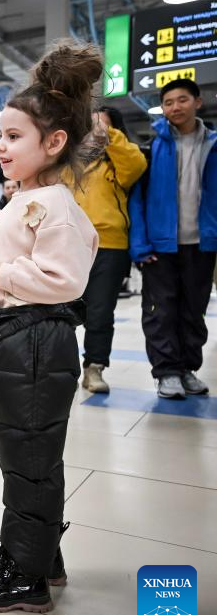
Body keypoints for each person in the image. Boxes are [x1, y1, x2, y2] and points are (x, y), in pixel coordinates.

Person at [0, 40, 102, 613]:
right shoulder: (26, 199)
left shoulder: (54, 206)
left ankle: (26, 576)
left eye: (14, 136)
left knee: (30, 459)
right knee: (22, 453)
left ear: (53, 142)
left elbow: (64, 281)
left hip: (35, 343)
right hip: (15, 340)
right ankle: (36, 552)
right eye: (1, 135)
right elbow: (20, 270)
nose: (1, 145)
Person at [128, 78, 217, 399]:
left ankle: (187, 369)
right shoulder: (151, 149)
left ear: (197, 102)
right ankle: (167, 372)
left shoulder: (213, 146)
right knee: (160, 310)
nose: (175, 107)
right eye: (168, 102)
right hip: (160, 246)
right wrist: (140, 246)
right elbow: (136, 200)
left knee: (194, 310)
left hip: (202, 243)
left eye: (182, 100)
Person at [73, 106, 147, 393]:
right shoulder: (68, 163)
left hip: (110, 245)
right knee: (59, 310)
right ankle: (60, 366)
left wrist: (108, 134)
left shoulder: (119, 163)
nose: (93, 131)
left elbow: (136, 165)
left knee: (101, 312)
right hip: (70, 246)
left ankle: (94, 368)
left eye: (101, 125)